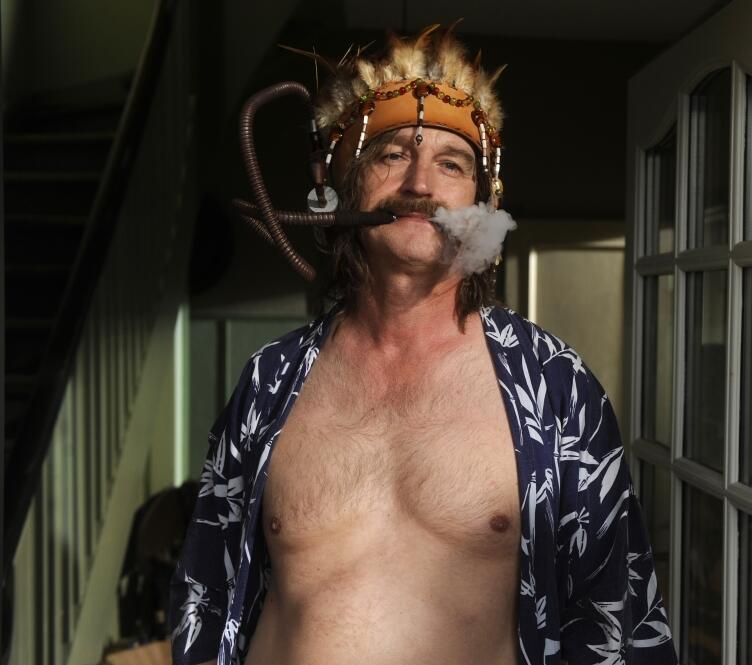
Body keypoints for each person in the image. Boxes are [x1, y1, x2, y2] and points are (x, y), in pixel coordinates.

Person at [169, 25, 677, 665]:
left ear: (482, 200)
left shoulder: (555, 387)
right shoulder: (270, 382)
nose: (420, 185)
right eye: (391, 155)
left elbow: (616, 623)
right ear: (342, 182)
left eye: (451, 163)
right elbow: (205, 596)